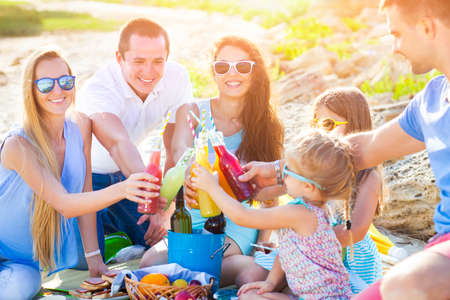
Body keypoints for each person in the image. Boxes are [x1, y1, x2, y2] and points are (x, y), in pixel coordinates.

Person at [240, 0, 450, 298]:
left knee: (409, 283)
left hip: (432, 264)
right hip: (440, 247)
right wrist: (276, 170)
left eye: (397, 34)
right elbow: (366, 146)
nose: (394, 48)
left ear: (427, 27)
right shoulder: (430, 100)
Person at [0, 47, 157, 300]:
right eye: (45, 85)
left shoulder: (80, 125)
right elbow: (66, 205)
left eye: (65, 81)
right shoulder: (19, 145)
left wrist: (95, 259)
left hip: (24, 263)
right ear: (31, 90)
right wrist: (123, 188)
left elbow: (85, 193)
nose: (58, 91)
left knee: (24, 285)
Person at [139, 35, 284, 287]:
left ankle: (237, 266)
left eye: (242, 66)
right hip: (194, 215)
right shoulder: (193, 111)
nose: (232, 74)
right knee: (148, 264)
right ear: (213, 71)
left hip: (238, 220)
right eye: (222, 66)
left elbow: (273, 193)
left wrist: (263, 241)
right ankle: (224, 272)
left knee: (203, 261)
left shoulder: (267, 125)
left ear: (254, 71)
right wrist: (189, 172)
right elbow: (180, 149)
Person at [191, 129, 353, 300]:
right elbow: (287, 251)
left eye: (288, 171)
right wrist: (270, 283)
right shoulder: (314, 210)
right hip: (311, 295)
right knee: (249, 294)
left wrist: (212, 187)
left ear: (308, 187)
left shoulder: (300, 213)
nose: (282, 176)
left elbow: (243, 216)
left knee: (249, 297)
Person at [76, 17, 194, 250]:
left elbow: (178, 150)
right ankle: (107, 221)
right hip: (88, 180)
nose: (149, 72)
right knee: (82, 251)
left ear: (167, 58)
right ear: (119, 58)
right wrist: (150, 200)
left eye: (158, 61)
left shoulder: (177, 78)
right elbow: (118, 144)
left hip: (126, 174)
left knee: (156, 240)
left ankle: (113, 224)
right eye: (138, 61)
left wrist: (164, 207)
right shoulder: (100, 89)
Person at [311, 87, 383, 293]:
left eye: (328, 124)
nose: (320, 132)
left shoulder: (368, 176)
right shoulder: (315, 168)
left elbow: (357, 231)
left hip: (352, 258)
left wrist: (311, 241)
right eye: (316, 124)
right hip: (317, 249)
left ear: (354, 127)